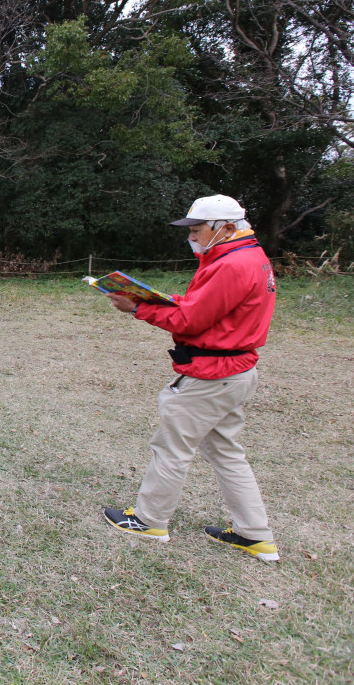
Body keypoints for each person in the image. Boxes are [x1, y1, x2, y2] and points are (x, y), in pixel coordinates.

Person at [102, 195, 280, 562]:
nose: (194, 237)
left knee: (172, 448)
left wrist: (138, 307)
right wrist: (166, 300)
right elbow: (204, 307)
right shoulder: (249, 258)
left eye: (198, 230)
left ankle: (150, 520)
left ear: (225, 227)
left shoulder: (231, 264)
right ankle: (254, 533)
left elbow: (191, 321)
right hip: (236, 372)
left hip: (211, 375)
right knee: (228, 453)